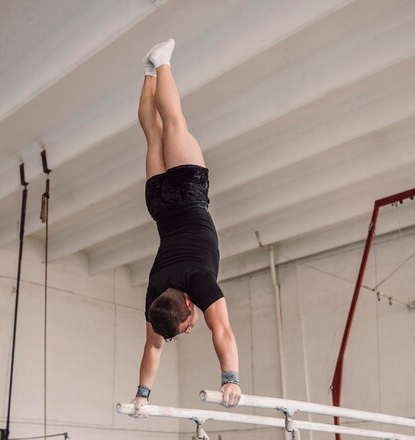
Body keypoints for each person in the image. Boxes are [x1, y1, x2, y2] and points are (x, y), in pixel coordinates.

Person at [130, 39, 242, 416]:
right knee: (152, 135)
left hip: (188, 193)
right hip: (159, 205)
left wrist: (231, 378)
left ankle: (162, 63)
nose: (192, 329)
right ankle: (149, 73)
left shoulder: (199, 282)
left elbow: (222, 333)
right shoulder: (156, 297)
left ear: (189, 305)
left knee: (174, 123)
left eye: (187, 325)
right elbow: (153, 347)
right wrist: (141, 396)